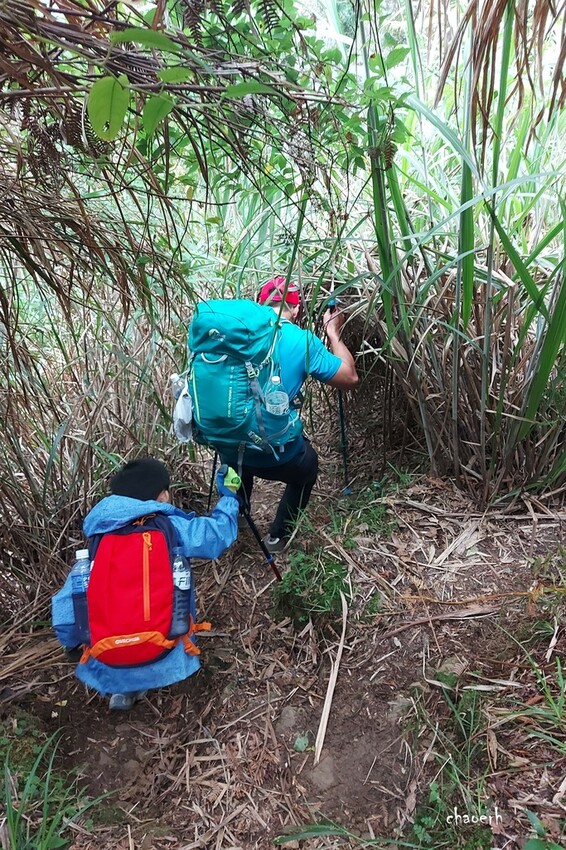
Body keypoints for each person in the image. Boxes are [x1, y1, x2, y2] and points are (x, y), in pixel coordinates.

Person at [52, 457, 239, 710]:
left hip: (110, 656)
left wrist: (72, 642)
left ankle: (123, 691)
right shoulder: (170, 527)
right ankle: (168, 679)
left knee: (113, 641)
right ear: (162, 496)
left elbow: (65, 607)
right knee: (168, 632)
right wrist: (228, 496)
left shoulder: (99, 538)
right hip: (164, 648)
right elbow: (217, 535)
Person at [221, 276, 359, 553]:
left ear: (259, 303)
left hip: (228, 447)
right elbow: (349, 377)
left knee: (236, 460)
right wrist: (333, 335)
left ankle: (233, 517)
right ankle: (278, 537)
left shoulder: (228, 335)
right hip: (277, 456)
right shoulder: (302, 340)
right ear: (295, 310)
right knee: (306, 468)